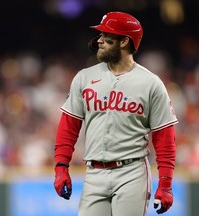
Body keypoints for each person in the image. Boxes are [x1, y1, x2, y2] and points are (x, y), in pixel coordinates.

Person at [53, 11, 178, 216]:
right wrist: (60, 166)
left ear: (124, 42)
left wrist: (165, 184)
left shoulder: (150, 83)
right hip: (94, 173)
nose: (99, 40)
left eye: (106, 35)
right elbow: (68, 127)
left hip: (131, 172)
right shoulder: (85, 77)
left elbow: (165, 139)